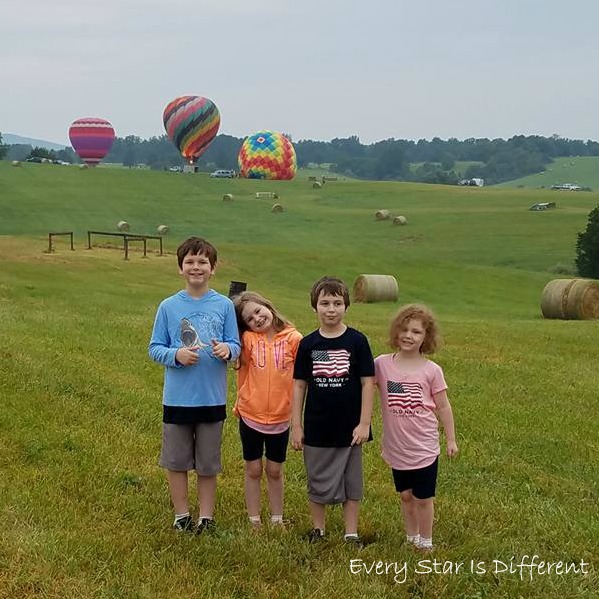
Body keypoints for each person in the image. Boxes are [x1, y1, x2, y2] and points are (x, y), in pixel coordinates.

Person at [148, 236, 241, 533]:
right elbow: (155, 348)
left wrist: (228, 350)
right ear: (180, 268)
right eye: (190, 261)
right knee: (176, 461)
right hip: (177, 399)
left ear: (213, 268)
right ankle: (181, 515)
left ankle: (206, 517)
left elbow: (235, 344)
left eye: (202, 262)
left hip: (212, 398)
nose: (196, 267)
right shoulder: (168, 306)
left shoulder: (224, 305)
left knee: (208, 463)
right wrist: (176, 354)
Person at [291, 276, 375, 546]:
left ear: (346, 306)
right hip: (317, 424)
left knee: (352, 482)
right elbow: (299, 385)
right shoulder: (308, 344)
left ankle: (351, 533)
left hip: (350, 427)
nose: (331, 309)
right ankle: (319, 530)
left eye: (337, 303)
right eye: (324, 303)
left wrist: (364, 423)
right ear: (314, 307)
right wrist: (296, 425)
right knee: (317, 478)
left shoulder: (357, 341)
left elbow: (367, 383)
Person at [374, 304, 458, 552]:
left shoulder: (432, 371)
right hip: (396, 447)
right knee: (405, 496)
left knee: (423, 498)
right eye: (404, 330)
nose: (409, 336)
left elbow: (443, 407)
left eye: (416, 332)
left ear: (426, 337)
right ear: (395, 332)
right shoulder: (381, 364)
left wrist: (451, 439)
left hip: (424, 447)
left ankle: (426, 541)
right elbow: (362, 384)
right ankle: (411, 536)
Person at [232, 291, 302, 528]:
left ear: (268, 307)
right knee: (253, 469)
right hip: (250, 414)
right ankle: (254, 519)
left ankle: (276, 518)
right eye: (250, 319)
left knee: (274, 470)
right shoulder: (248, 340)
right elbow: (232, 351)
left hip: (281, 418)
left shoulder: (294, 339)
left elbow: (302, 379)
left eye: (258, 311)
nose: (257, 319)